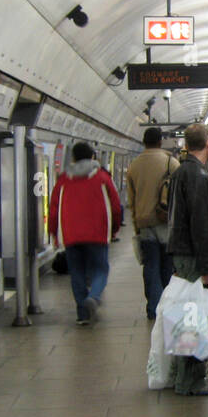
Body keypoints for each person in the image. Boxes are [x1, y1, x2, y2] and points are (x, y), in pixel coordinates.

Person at [166, 123, 208, 396]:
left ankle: (181, 377)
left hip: (182, 253)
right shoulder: (199, 176)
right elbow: (202, 226)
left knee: (186, 317)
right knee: (195, 319)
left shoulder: (180, 172)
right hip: (193, 256)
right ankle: (192, 381)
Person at [48, 141, 123, 325]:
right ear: (92, 157)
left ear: (72, 158)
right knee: (100, 270)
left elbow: (54, 208)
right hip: (97, 234)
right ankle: (94, 296)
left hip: (71, 235)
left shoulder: (63, 180)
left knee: (77, 274)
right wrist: (114, 229)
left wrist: (53, 233)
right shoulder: (102, 178)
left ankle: (83, 314)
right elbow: (115, 206)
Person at [125, 127, 179, 320]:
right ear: (160, 142)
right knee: (167, 267)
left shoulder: (133, 166)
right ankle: (167, 304)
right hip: (166, 223)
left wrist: (136, 225)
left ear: (143, 142)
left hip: (145, 223)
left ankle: (153, 308)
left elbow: (131, 201)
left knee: (150, 267)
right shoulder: (170, 163)